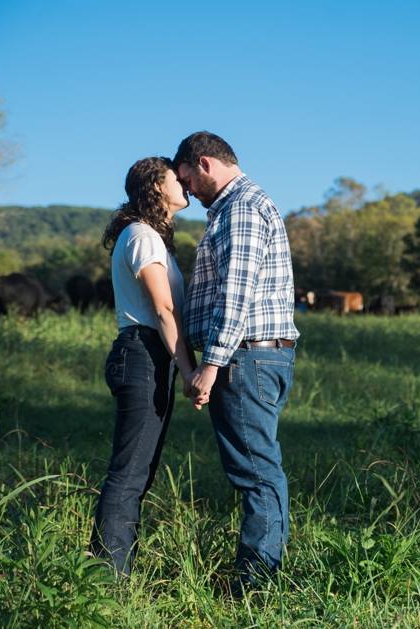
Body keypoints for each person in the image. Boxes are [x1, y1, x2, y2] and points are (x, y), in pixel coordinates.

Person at [175, 131, 299, 594]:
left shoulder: (241, 207)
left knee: (256, 471)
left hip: (246, 356)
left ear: (204, 163)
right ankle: (261, 575)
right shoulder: (237, 206)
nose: (187, 190)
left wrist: (211, 363)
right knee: (257, 467)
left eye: (187, 179)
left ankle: (256, 585)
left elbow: (237, 294)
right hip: (253, 355)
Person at [90, 156, 206, 575]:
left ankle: (112, 567)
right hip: (143, 355)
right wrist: (190, 369)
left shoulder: (149, 236)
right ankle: (108, 578)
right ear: (157, 186)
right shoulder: (141, 235)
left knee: (138, 471)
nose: (187, 186)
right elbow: (163, 308)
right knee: (129, 473)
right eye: (178, 179)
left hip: (149, 357)